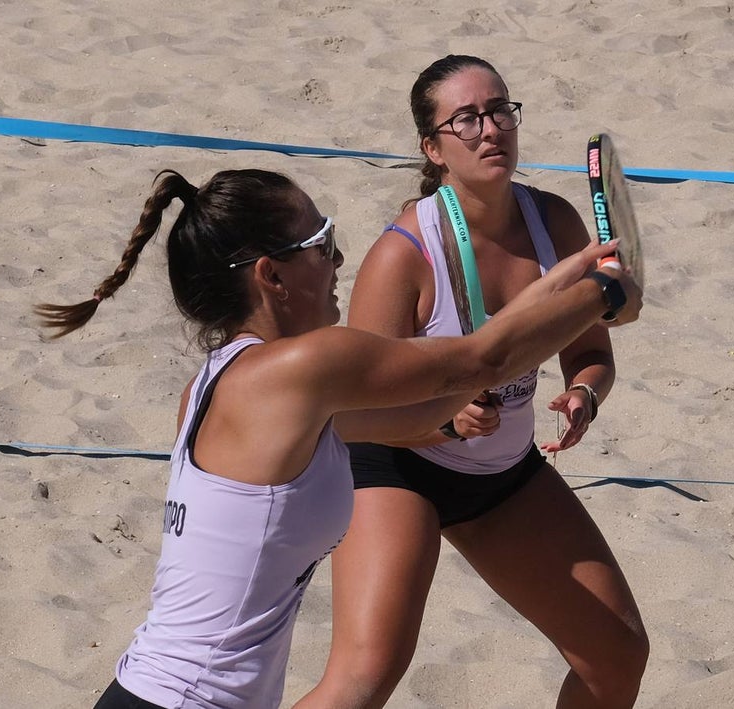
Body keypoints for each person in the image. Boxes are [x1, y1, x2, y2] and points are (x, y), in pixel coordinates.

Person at [35, 166, 637, 709]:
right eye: (321, 243)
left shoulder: (224, 383)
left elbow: (421, 411)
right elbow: (481, 362)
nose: (340, 259)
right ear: (272, 275)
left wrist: (557, 285)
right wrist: (605, 292)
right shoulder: (304, 367)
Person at [297, 56, 649, 709]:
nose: (491, 129)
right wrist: (444, 418)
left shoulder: (555, 223)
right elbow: (356, 410)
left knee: (617, 655)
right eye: (466, 118)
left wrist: (585, 394)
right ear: (433, 147)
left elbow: (593, 346)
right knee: (365, 677)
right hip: (396, 465)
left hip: (502, 471)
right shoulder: (403, 254)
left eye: (499, 110)